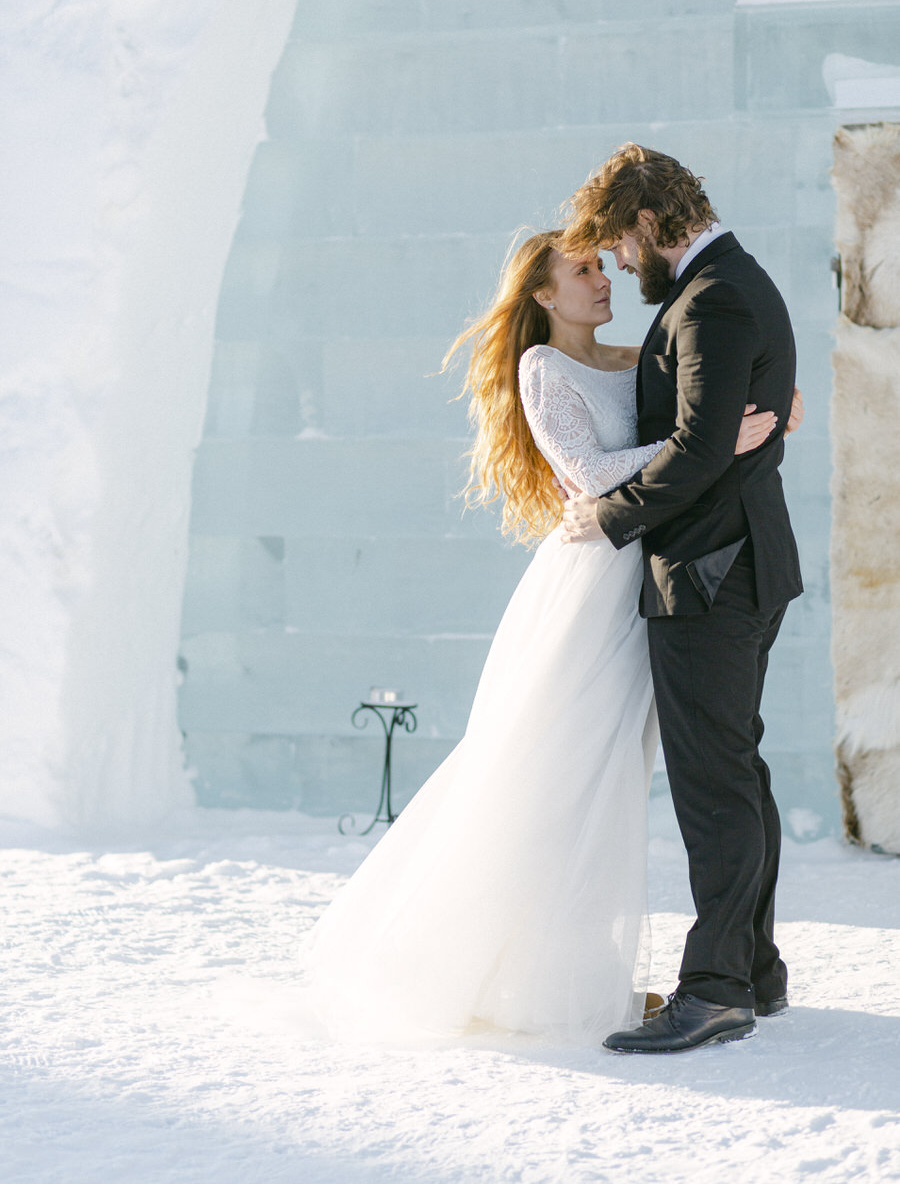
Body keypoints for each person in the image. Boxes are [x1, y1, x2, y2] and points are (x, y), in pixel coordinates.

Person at [299, 228, 782, 1046]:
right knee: (555, 763)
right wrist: (699, 447)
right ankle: (498, 964)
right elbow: (591, 474)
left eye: (602, 266)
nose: (602, 281)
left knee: (621, 772)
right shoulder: (541, 369)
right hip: (590, 586)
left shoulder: (636, 356)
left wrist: (778, 405)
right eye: (583, 272)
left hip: (648, 571)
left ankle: (675, 964)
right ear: (544, 297)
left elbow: (719, 392)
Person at [558, 143, 803, 1054]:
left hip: (712, 572)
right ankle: (754, 970)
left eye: (622, 245)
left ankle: (715, 990)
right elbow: (716, 435)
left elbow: (702, 450)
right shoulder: (724, 288)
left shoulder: (715, 298)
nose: (622, 263)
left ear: (653, 224)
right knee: (735, 769)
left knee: (714, 784)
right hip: (734, 565)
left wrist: (609, 516)